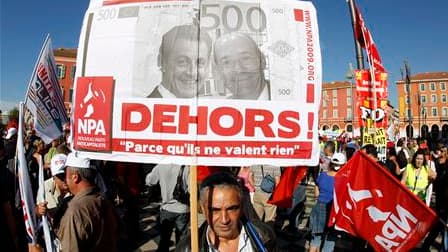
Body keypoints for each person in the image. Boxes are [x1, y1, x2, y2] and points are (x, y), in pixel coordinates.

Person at [176, 172, 276, 251]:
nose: (224, 220)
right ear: (203, 209)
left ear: (242, 206)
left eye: (231, 209)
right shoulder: (188, 248)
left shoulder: (263, 235)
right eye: (215, 210)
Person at [57, 153, 118, 251]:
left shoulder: (75, 210)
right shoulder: (102, 199)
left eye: (65, 175)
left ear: (75, 177)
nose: (65, 180)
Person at [147, 24, 212, 98]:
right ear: (162, 62)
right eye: (182, 62)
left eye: (200, 63)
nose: (192, 73)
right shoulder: (144, 107)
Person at [145, 164, 190, 251]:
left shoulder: (161, 166)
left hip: (166, 208)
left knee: (164, 239)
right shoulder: (186, 167)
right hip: (183, 209)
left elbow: (149, 181)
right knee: (181, 240)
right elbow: (191, 189)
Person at [214, 32, 270, 100]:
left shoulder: (284, 98)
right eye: (227, 62)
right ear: (218, 72)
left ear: (262, 60)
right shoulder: (221, 108)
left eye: (245, 58)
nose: (238, 70)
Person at [309, 152, 346, 252]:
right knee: (329, 242)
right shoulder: (344, 180)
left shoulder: (323, 175)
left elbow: (316, 193)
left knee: (315, 240)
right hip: (334, 212)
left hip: (319, 208)